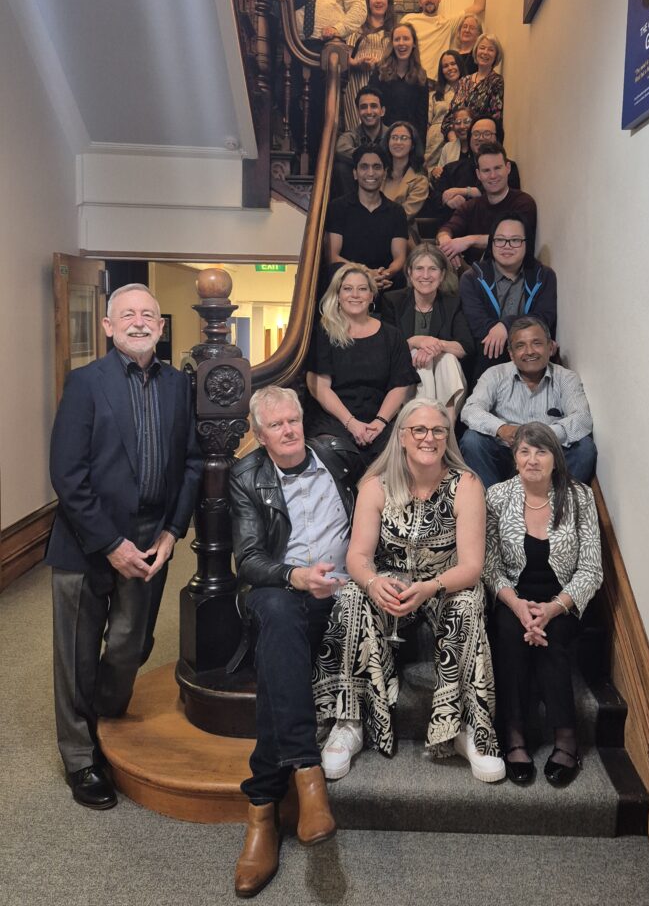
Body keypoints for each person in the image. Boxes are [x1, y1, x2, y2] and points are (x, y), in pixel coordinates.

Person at [46, 284, 202, 809]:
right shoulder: (86, 383)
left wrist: (171, 531)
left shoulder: (180, 386)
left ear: (161, 327)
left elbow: (192, 464)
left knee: (131, 645)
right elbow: (67, 475)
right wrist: (110, 543)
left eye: (149, 315)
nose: (139, 322)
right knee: (76, 652)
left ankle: (105, 721)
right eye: (127, 315)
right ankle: (80, 756)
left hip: (150, 541)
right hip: (85, 542)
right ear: (109, 327)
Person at [313, 399, 504, 783]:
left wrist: (431, 586)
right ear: (402, 437)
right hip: (390, 581)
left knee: (467, 602)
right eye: (419, 430)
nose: (429, 438)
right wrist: (372, 582)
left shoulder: (465, 484)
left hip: (445, 583)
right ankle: (349, 721)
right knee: (351, 596)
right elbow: (358, 556)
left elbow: (471, 567)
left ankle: (469, 728)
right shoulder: (375, 484)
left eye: (438, 430)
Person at [229, 386, 362, 898]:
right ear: (260, 436)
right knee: (280, 618)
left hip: (342, 592)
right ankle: (308, 773)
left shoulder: (336, 456)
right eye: (277, 426)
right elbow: (250, 561)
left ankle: (261, 811)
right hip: (279, 589)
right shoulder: (247, 477)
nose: (289, 431)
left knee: (276, 665)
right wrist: (296, 576)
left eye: (294, 421)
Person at [484, 422, 603, 786]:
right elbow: (489, 564)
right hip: (512, 595)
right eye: (524, 451)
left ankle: (566, 739)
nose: (532, 459)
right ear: (514, 458)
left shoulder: (579, 497)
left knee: (553, 639)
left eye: (541, 451)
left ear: (556, 459)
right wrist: (519, 607)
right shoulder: (496, 496)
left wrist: (551, 609)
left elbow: (591, 570)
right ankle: (515, 737)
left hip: (563, 599)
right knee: (507, 631)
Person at [460, 316, 597, 488]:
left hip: (549, 456)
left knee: (585, 448)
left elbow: (582, 418)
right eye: (520, 346)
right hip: (506, 455)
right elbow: (470, 409)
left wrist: (544, 435)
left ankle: (557, 506)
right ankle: (493, 506)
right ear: (511, 353)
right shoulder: (494, 374)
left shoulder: (566, 378)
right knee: (472, 440)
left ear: (550, 347)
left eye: (537, 343)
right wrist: (502, 429)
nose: (529, 351)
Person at [305, 264, 418, 465]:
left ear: (372, 296)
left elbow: (400, 385)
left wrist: (380, 422)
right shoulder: (324, 333)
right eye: (347, 289)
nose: (355, 295)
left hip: (380, 419)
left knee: (401, 451)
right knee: (330, 452)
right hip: (336, 418)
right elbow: (320, 388)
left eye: (362, 289)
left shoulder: (392, 335)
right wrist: (351, 424)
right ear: (337, 295)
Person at [286, 0, 366, 167]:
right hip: (296, 47)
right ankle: (302, 150)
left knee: (324, 107)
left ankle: (321, 160)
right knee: (290, 99)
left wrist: (339, 29)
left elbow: (359, 8)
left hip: (329, 49)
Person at [381, 246, 473, 421]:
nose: (425, 275)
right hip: (402, 381)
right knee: (419, 357)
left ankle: (446, 429)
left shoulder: (452, 303)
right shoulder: (393, 300)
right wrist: (416, 341)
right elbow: (386, 349)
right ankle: (431, 425)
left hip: (442, 379)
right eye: (419, 268)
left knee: (448, 359)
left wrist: (436, 345)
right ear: (409, 272)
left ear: (443, 274)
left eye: (432, 269)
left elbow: (465, 347)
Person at [459, 215, 557, 377]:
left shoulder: (544, 276)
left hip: (530, 357)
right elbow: (479, 327)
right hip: (488, 359)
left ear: (527, 243)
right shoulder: (472, 279)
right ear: (491, 243)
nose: (507, 246)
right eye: (500, 240)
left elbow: (543, 318)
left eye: (515, 240)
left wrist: (506, 325)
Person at [437, 141, 535, 268]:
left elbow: (514, 239)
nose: (493, 175)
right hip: (473, 275)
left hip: (511, 273)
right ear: (478, 175)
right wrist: (447, 243)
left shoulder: (523, 203)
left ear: (508, 168)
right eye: (486, 170)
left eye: (497, 168)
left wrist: (469, 241)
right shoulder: (470, 206)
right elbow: (447, 228)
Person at [325, 144, 408, 291]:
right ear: (355, 173)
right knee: (334, 270)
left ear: (384, 173)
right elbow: (333, 256)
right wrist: (366, 274)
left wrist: (384, 274)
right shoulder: (338, 208)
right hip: (349, 282)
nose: (371, 173)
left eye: (377, 167)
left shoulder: (396, 211)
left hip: (385, 281)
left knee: (402, 277)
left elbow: (399, 258)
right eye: (364, 167)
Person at [401, 0, 488, 80]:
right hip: (411, 82)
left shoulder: (447, 23)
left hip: (437, 86)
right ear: (420, 2)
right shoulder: (409, 20)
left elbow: (478, 6)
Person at [343, 0, 396, 131]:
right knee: (357, 126)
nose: (378, 1)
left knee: (381, 128)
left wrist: (381, 64)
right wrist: (357, 63)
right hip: (357, 82)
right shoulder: (357, 26)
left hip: (384, 82)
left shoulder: (394, 30)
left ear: (388, 2)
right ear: (368, 2)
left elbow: (398, 59)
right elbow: (345, 57)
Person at [371, 22, 429, 144]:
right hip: (382, 141)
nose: (401, 43)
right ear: (392, 44)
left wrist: (419, 151)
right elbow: (372, 109)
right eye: (397, 39)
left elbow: (422, 119)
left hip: (409, 142)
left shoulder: (421, 77)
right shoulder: (379, 73)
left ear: (413, 44)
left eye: (406, 39)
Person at [442, 34, 504, 141]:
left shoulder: (496, 81)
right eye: (482, 48)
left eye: (490, 50)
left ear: (496, 56)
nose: (485, 52)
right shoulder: (464, 81)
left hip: (480, 142)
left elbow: (495, 120)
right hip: (456, 141)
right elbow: (449, 118)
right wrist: (454, 143)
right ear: (476, 51)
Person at [333, 85, 387, 197]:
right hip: (359, 189)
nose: (368, 111)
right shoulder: (351, 135)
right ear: (358, 111)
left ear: (382, 111)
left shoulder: (392, 134)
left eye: (373, 106)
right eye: (363, 107)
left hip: (388, 186)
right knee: (340, 168)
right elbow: (340, 148)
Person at [381, 120, 429, 222]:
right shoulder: (379, 173)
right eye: (394, 138)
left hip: (401, 233)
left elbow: (403, 216)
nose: (398, 142)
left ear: (412, 145)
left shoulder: (420, 181)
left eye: (404, 138)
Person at [425, 49, 464, 170]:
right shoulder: (434, 95)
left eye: (453, 63)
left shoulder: (469, 91)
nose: (450, 68)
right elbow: (427, 123)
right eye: (445, 66)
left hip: (458, 138)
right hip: (436, 142)